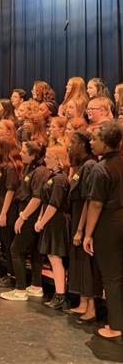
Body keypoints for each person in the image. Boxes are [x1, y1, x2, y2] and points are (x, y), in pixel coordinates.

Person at [84, 122, 123, 340]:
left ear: (106, 143)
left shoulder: (100, 169)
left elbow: (96, 204)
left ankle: (116, 326)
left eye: (94, 139)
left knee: (112, 277)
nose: (91, 142)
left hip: (109, 223)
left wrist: (88, 234)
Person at [1, 141, 49, 301]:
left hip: (30, 214)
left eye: (23, 151)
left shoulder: (41, 172)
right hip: (26, 210)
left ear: (33, 155)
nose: (20, 153)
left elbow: (36, 198)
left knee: (16, 249)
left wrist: (23, 217)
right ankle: (36, 286)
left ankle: (20, 289)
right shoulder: (30, 168)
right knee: (34, 251)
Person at [66, 130, 100, 324]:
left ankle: (92, 308)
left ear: (83, 145)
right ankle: (82, 302)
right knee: (79, 260)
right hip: (77, 213)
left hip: (84, 218)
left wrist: (80, 229)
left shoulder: (90, 165)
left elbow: (88, 200)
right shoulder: (81, 165)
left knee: (87, 264)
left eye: (74, 143)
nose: (70, 146)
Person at [35, 146, 70, 310]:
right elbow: (46, 201)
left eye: (49, 157)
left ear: (58, 159)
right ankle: (60, 293)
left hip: (57, 221)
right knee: (52, 256)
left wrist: (42, 221)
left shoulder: (60, 179)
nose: (45, 159)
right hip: (51, 220)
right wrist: (41, 218)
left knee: (55, 257)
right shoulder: (53, 177)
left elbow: (54, 204)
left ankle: (60, 294)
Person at [0, 138, 22, 288]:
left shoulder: (10, 168)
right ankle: (9, 273)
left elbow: (10, 191)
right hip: (0, 209)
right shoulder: (0, 167)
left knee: (9, 244)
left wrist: (3, 213)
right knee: (4, 244)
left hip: (8, 211)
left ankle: (13, 276)